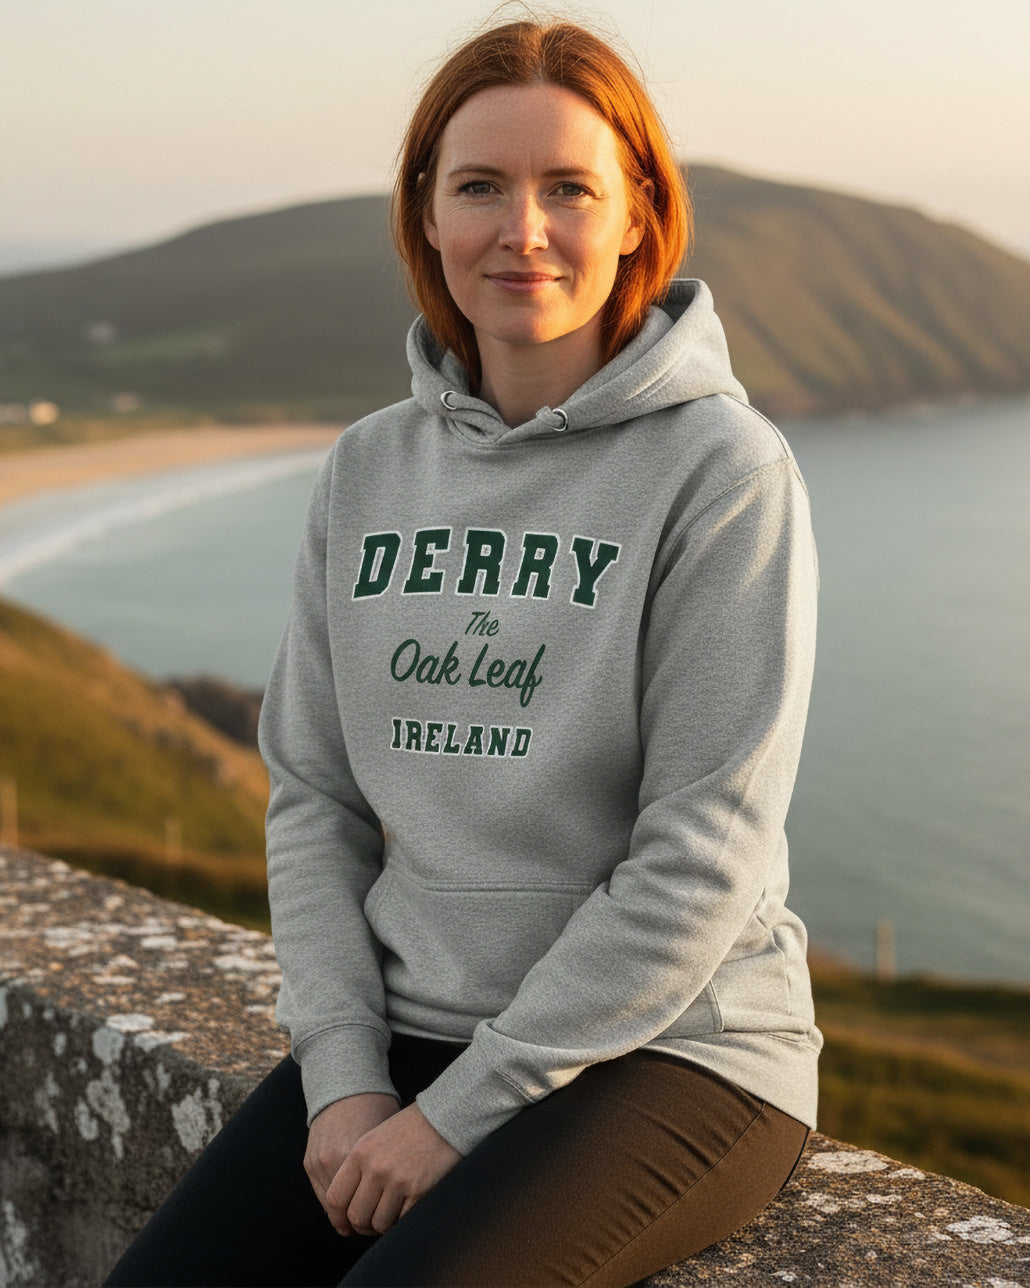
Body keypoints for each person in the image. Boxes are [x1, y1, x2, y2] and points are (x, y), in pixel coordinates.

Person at [104, 17, 821, 1288]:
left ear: (637, 214)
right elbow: (314, 797)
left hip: (674, 1052)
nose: (522, 230)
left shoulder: (722, 472)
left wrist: (452, 1117)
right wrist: (342, 1076)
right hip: (409, 1027)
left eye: (568, 189)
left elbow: (703, 854)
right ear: (427, 215)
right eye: (480, 186)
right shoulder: (369, 467)